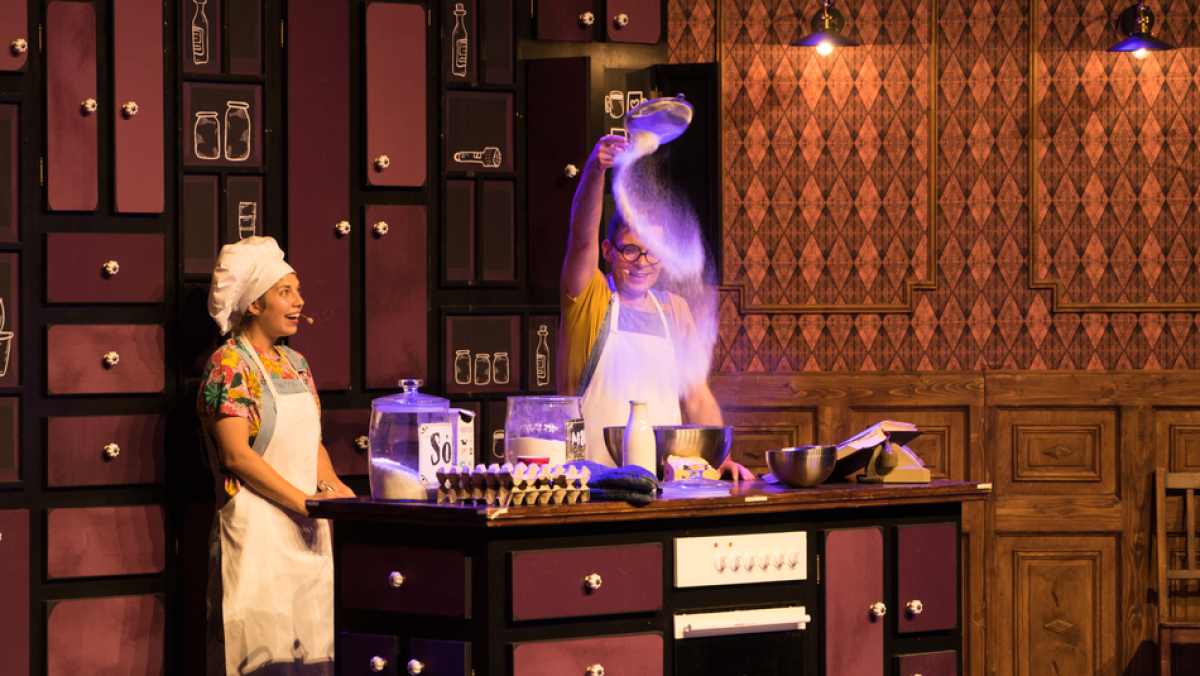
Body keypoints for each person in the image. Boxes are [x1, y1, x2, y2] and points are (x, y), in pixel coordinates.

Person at [197, 236, 354, 676]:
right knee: (261, 657)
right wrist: (303, 502)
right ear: (253, 304)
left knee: (312, 653)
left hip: (308, 530)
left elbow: (311, 442)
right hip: (257, 534)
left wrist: (334, 489)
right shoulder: (229, 364)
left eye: (298, 291)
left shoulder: (295, 364)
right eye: (285, 292)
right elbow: (236, 455)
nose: (299, 301)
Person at [559, 136, 753, 480]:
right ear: (608, 251)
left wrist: (719, 457)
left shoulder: (675, 310)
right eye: (630, 250)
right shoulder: (589, 297)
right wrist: (595, 170)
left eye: (652, 252)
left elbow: (697, 396)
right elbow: (581, 238)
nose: (642, 263)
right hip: (592, 482)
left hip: (664, 484)